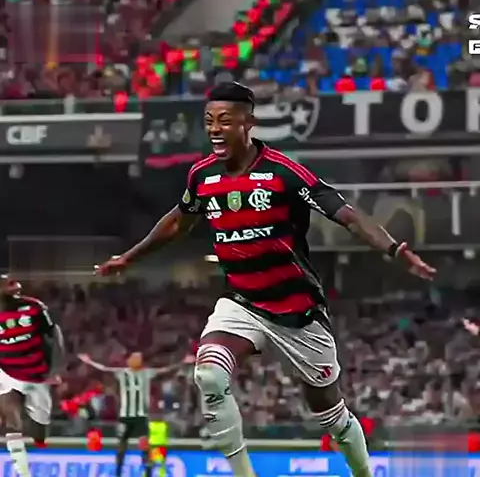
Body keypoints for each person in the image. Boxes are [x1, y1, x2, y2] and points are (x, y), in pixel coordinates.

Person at [94, 82, 436, 477]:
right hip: (241, 302)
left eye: (225, 120)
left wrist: (394, 249)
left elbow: (347, 214)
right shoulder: (202, 175)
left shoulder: (283, 172)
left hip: (297, 310)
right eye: (209, 121)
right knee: (208, 373)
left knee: (329, 412)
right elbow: (177, 222)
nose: (215, 129)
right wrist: (129, 257)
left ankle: (364, 473)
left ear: (249, 122)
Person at [78, 351, 193, 477]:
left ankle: (148, 471)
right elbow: (104, 368)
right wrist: (89, 362)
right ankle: (118, 472)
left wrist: (183, 362)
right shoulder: (122, 373)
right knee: (122, 446)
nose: (135, 360)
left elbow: (165, 369)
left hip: (140, 417)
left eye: (138, 358)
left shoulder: (147, 373)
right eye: (134, 357)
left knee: (144, 445)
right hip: (125, 417)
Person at [0, 275, 64, 477]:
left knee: (39, 430)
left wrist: (55, 369)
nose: (17, 286)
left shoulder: (34, 307)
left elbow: (54, 334)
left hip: (37, 375)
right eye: (10, 284)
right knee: (12, 420)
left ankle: (39, 436)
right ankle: (24, 472)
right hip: (7, 372)